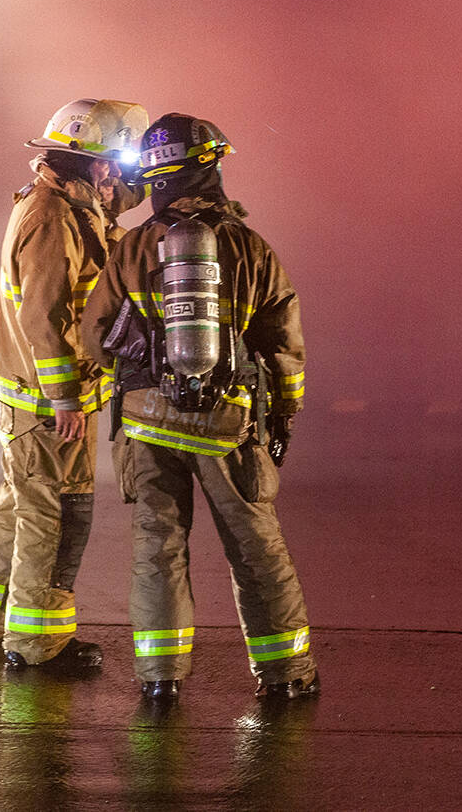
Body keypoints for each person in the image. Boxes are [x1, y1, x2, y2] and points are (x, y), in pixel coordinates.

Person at [82, 112, 315, 704]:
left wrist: (137, 378)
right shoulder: (249, 248)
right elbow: (283, 344)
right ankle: (286, 674)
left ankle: (159, 678)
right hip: (227, 425)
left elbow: (95, 336)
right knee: (255, 548)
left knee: (157, 548)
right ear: (210, 168)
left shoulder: (133, 247)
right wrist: (284, 414)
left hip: (146, 425)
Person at [0, 97, 149, 672]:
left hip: (36, 399)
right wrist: (65, 397)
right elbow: (44, 316)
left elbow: (116, 204)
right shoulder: (51, 219)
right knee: (55, 516)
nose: (119, 177)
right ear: (95, 163)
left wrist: (159, 177)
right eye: (116, 163)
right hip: (47, 404)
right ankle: (37, 645)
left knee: (21, 501)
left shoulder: (69, 202)